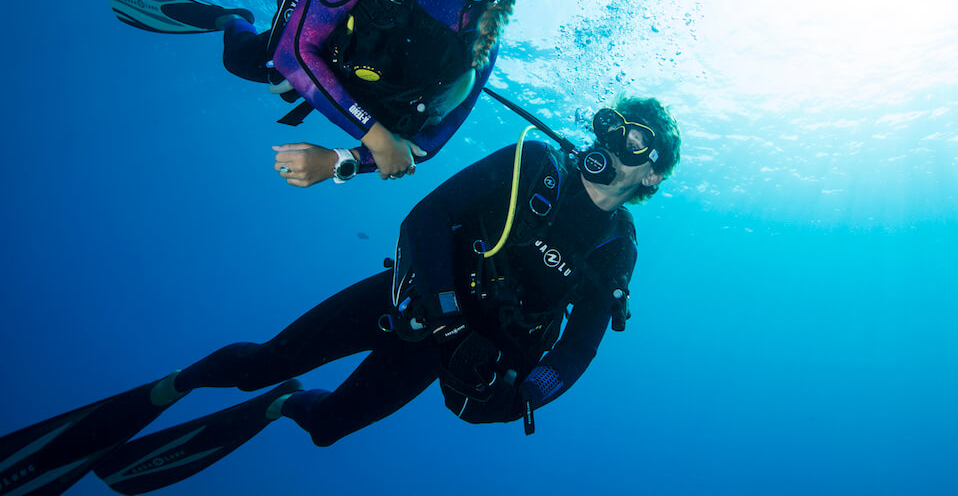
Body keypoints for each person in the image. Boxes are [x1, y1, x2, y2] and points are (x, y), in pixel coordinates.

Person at [0, 96, 680, 495]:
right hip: (406, 300)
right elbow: (425, 218)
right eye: (612, 128)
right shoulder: (537, 164)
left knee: (325, 429)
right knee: (262, 358)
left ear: (650, 175)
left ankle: (284, 405)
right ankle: (175, 386)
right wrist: (443, 316)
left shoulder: (618, 249)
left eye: (634, 142)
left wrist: (525, 396)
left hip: (439, 358)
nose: (613, 143)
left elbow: (578, 349)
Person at [100, 0, 559, 183]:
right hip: (316, 49)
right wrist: (375, 137)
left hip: (363, 96)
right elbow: (293, 54)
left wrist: (338, 161)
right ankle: (230, 18)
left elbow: (422, 147)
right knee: (241, 63)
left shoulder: (483, 45)